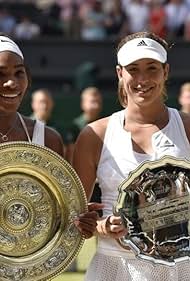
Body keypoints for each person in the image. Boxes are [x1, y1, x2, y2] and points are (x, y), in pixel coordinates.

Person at [73, 31, 190, 280]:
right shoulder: (95, 134)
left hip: (181, 268)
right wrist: (101, 226)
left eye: (152, 68)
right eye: (133, 69)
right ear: (119, 73)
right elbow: (75, 218)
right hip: (114, 268)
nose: (142, 79)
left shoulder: (188, 127)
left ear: (166, 72)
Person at [0, 33, 102, 240]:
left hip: (27, 266)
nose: (11, 82)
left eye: (19, 73)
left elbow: (58, 212)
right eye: (0, 74)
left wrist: (77, 217)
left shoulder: (48, 139)